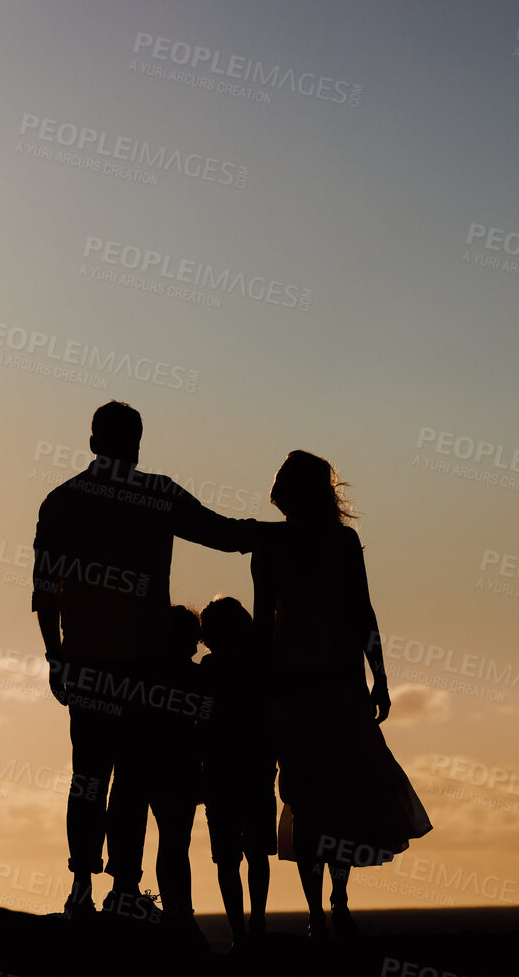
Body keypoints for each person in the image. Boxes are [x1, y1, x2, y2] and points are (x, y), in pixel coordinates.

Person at [32, 401, 259, 917]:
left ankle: (86, 889)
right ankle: (120, 889)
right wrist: (280, 532)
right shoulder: (154, 494)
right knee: (129, 780)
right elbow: (223, 534)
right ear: (135, 444)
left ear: (93, 443)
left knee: (90, 776)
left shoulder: (62, 501)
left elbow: (46, 591)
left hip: (90, 660)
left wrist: (55, 654)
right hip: (142, 664)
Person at [251, 451, 431, 938]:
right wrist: (380, 678)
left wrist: (380, 677)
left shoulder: (291, 543)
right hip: (318, 687)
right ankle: (327, 905)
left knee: (320, 798)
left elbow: (267, 623)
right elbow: (358, 614)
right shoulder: (327, 542)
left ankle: (328, 904)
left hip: (313, 687)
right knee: (325, 796)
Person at [104, 605, 209, 946]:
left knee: (139, 830)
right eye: (193, 640)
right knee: (173, 843)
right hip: (174, 766)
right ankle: (177, 913)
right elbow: (206, 726)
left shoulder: (135, 673)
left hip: (146, 762)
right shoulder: (192, 677)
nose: (196, 647)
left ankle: (132, 896)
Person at [198, 596, 277, 948]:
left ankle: (243, 932)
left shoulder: (209, 672)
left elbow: (199, 724)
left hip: (225, 771)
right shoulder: (257, 668)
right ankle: (251, 928)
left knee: (231, 858)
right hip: (248, 769)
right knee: (249, 855)